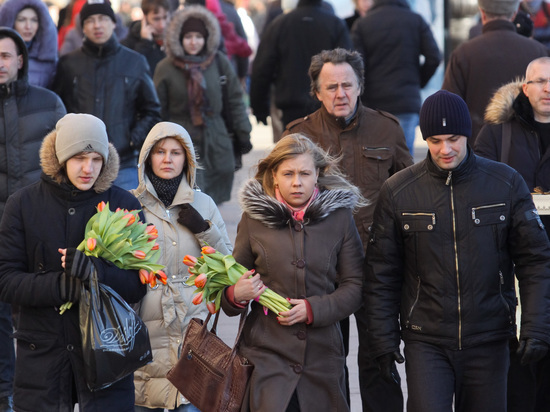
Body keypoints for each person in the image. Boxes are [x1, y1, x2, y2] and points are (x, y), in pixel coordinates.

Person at [364, 90, 550, 411]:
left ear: (467, 133)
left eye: (453, 138)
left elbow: (535, 260)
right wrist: (382, 337)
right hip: (426, 338)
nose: (445, 149)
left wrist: (535, 325)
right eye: (435, 140)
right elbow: (382, 271)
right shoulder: (398, 191)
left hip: (489, 336)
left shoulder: (505, 183)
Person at [284, 47, 412, 412]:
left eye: (347, 85)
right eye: (331, 87)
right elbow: (278, 198)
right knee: (325, 364)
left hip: (377, 265)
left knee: (380, 359)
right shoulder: (298, 135)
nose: (340, 94)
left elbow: (410, 192)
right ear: (317, 91)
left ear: (359, 87)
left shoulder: (386, 127)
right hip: (319, 270)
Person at [0, 113, 147, 411]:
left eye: (96, 159)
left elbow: (137, 285)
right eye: (80, 157)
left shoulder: (125, 205)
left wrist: (96, 272)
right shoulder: (23, 204)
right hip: (43, 359)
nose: (88, 168)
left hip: (107, 354)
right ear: (61, 156)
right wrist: (61, 285)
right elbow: (6, 280)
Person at [221, 133, 365, 412]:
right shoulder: (254, 219)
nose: (296, 182)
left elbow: (355, 286)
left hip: (322, 359)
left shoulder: (340, 218)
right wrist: (236, 294)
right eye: (288, 173)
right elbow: (230, 288)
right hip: (266, 358)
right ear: (274, 176)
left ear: (317, 175)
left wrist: (313, 309)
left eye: (304, 173)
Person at [131, 121, 232, 412]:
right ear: (148, 156)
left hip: (192, 329)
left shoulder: (204, 203)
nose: (167, 159)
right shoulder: (130, 202)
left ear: (186, 159)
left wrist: (204, 229)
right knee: (144, 399)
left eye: (176, 152)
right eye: (160, 151)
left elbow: (227, 266)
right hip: (146, 330)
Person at [475, 56, 550, 412]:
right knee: (518, 358)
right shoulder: (497, 131)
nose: (547, 89)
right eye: (539, 81)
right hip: (510, 260)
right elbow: (475, 184)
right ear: (525, 87)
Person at [0, 27, 66, 412]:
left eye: (6, 56)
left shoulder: (48, 102)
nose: (0, 63)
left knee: (34, 321)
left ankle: (36, 396)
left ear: (21, 60)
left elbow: (65, 165)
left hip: (35, 226)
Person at [53, 0, 161, 191]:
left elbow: (151, 110)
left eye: (103, 18)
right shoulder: (68, 64)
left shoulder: (134, 62)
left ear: (113, 23)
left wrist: (132, 139)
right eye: (90, 20)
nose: (97, 25)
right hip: (78, 162)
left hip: (123, 162)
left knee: (125, 218)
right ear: (83, 27)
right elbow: (57, 109)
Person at [154, 5, 252, 204]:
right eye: (188, 36)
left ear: (207, 38)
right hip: (181, 139)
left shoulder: (219, 62)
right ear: (179, 38)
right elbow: (158, 109)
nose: (193, 42)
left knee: (213, 204)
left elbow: (234, 99)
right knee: (186, 201)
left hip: (216, 139)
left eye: (198, 37)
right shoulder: (166, 68)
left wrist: (243, 132)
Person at [442, 0, 549, 146]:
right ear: (514, 14)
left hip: (477, 149)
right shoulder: (538, 52)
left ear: (482, 13)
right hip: (528, 149)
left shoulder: (463, 54)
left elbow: (449, 107)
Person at [351, 0, 441, 155]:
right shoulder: (416, 20)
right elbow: (434, 57)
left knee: (375, 161)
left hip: (374, 103)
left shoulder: (363, 24)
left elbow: (356, 66)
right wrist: (418, 81)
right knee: (404, 160)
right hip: (406, 101)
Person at [249, 0, 352, 129]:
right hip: (328, 105)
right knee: (328, 147)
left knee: (296, 147)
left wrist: (260, 108)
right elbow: (349, 66)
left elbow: (262, 69)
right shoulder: (335, 24)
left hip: (292, 108)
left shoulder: (279, 24)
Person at [0, 0, 58, 88]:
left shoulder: (48, 60)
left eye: (34, 20)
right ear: (10, 22)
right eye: (21, 20)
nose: (28, 26)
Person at [121, 0, 171, 75]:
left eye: (165, 17)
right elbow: (129, 70)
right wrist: (145, 43)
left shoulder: (175, 39)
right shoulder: (129, 43)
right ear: (145, 18)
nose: (162, 25)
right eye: (156, 19)